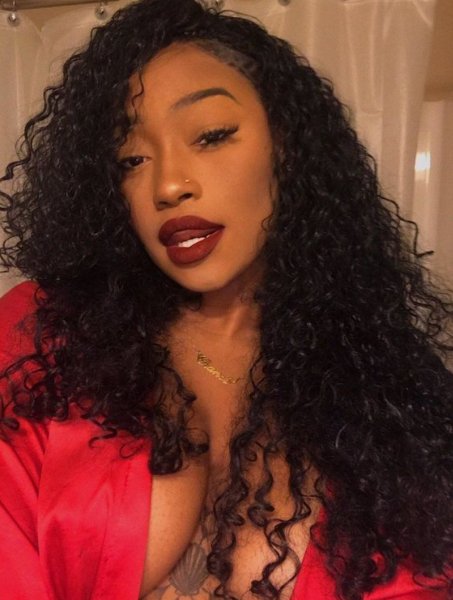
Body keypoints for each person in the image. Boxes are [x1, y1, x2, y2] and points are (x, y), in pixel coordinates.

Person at [0, 0, 452, 598]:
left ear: (286, 147)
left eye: (211, 135)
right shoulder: (42, 339)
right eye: (131, 159)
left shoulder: (382, 384)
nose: (168, 184)